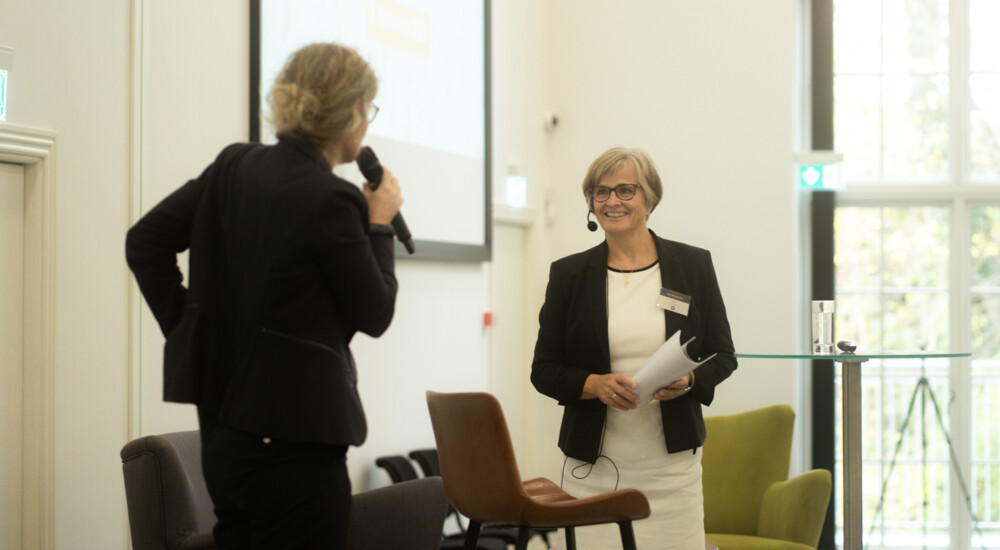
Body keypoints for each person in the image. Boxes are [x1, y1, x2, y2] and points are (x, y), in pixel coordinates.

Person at [125, 43, 402, 549]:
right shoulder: (333, 197)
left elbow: (144, 242)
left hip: (224, 441)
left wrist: (188, 331)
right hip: (298, 449)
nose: (368, 123)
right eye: (369, 109)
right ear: (350, 111)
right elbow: (377, 312)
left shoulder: (233, 166)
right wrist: (380, 225)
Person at [530, 147, 737, 549]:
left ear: (650, 199)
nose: (612, 201)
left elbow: (723, 355)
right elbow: (544, 370)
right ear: (591, 203)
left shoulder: (692, 265)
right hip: (592, 471)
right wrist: (594, 384)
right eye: (601, 191)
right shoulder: (569, 274)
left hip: (671, 472)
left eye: (625, 190)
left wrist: (689, 380)